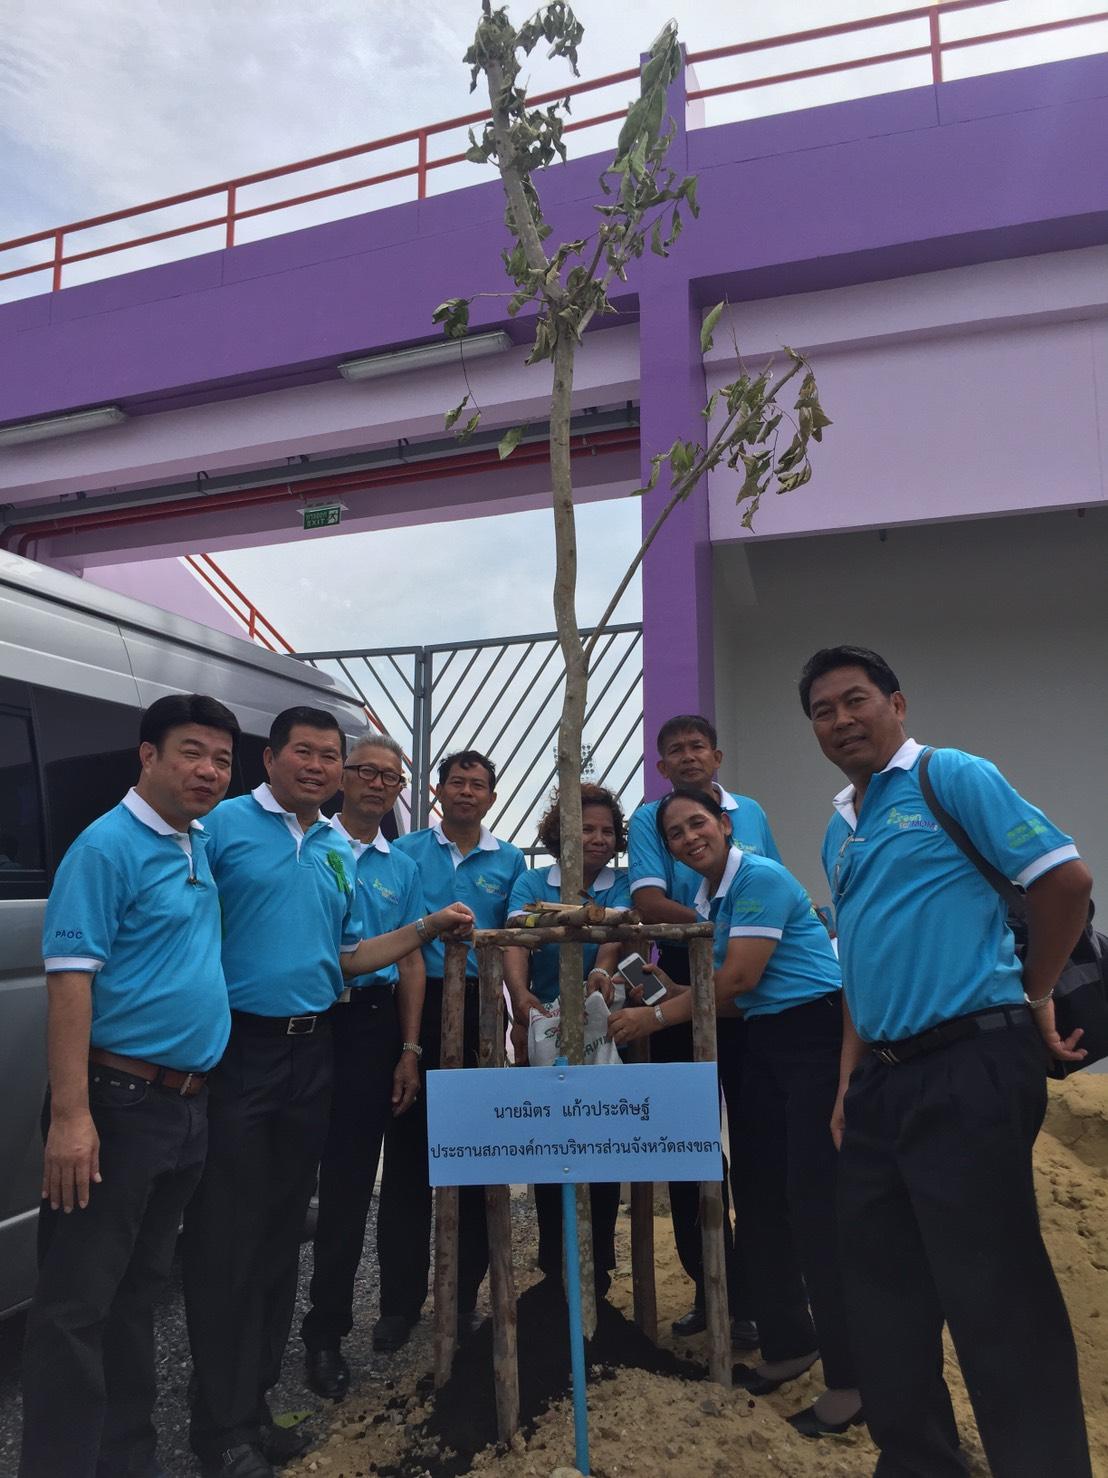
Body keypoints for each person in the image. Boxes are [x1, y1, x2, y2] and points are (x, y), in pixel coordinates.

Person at [801, 644, 1093, 1477]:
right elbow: (859, 960)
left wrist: (1033, 993)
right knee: (881, 1295)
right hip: (881, 1080)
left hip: (970, 1063)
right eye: (822, 711)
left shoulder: (950, 776)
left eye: (856, 700)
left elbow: (1065, 882)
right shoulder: (840, 828)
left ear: (896, 704)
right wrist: (848, 1079)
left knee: (995, 1295)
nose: (841, 720)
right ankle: (918, 1462)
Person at [181, 709, 472, 1478]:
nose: (317, 766)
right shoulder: (220, 827)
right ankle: (217, 1428)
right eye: (303, 753)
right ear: (270, 758)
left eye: (327, 756)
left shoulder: (334, 853)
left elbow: (346, 957)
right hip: (239, 1050)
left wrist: (427, 928)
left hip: (312, 1052)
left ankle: (252, 1406)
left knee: (282, 1238)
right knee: (228, 1241)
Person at [19, 693, 240, 1478]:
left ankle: (125, 1460)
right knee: (75, 1308)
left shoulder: (195, 842)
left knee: (138, 1294)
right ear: (148, 756)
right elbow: (70, 982)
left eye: (222, 759)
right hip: (117, 1104)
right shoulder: (106, 847)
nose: (209, 771)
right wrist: (71, 1117)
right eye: (191, 753)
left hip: (183, 1105)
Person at [609, 788, 861, 1437]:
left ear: (725, 825)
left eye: (698, 823)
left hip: (812, 1037)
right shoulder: (709, 899)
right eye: (675, 833)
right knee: (759, 1195)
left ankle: (852, 1381)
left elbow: (740, 979)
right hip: (766, 1040)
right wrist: (661, 988)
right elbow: (725, 996)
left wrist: (655, 1017)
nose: (690, 837)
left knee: (813, 1203)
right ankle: (789, 1343)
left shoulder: (759, 878)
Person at [626, 714, 779, 1346]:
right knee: (689, 1147)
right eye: (675, 751)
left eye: (697, 747)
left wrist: (737, 931)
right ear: (661, 767)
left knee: (760, 1146)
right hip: (679, 983)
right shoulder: (648, 818)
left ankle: (771, 1296)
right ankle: (713, 1288)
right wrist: (719, 922)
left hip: (749, 991)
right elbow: (647, 902)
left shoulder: (753, 812)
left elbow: (772, 891)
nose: (688, 757)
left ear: (716, 756)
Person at [373, 750, 527, 1353]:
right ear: (436, 791)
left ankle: (461, 1300)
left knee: (473, 1155)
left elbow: (513, 940)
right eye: (456, 782)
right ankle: (398, 1304)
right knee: (408, 1158)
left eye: (477, 785)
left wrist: (516, 1008)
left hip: (480, 1006)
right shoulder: (405, 851)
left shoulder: (509, 860)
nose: (466, 792)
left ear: (491, 797)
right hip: (414, 1002)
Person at [299, 733, 426, 1401]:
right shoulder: (306, 846)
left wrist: (410, 1047)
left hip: (372, 1028)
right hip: (304, 1023)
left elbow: (411, 959)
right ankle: (252, 1341)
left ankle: (326, 1334)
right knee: (286, 1182)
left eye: (390, 777)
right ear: (342, 777)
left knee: (349, 1189)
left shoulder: (400, 867)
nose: (378, 784)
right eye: (367, 772)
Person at [503, 783, 631, 1296]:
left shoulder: (620, 886)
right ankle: (555, 1268)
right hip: (545, 1029)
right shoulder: (533, 881)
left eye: (607, 831)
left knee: (602, 1143)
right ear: (561, 834)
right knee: (550, 1143)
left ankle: (597, 1270)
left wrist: (600, 971)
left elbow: (612, 939)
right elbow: (517, 940)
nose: (597, 839)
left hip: (605, 1029)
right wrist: (519, 998)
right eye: (585, 829)